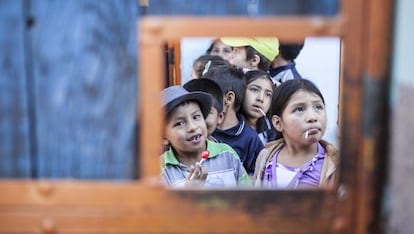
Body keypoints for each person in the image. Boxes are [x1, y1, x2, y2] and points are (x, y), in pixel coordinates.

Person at [254, 79, 338, 189]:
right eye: (299, 109)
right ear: (278, 123)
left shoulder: (335, 165)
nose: (312, 117)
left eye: (318, 107)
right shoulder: (265, 157)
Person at [160, 85, 250, 188]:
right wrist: (188, 194)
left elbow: (249, 198)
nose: (192, 127)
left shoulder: (227, 154)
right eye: (179, 123)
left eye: (196, 117)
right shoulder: (160, 170)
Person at [203, 65, 264, 175]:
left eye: (210, 95)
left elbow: (257, 177)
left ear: (229, 99)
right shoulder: (204, 130)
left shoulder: (250, 139)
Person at [241, 70, 278, 145]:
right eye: (254, 90)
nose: (261, 99)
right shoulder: (232, 127)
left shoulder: (272, 129)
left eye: (268, 95)